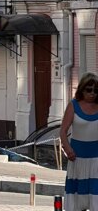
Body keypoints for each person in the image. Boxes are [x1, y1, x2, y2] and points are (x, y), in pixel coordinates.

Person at [60, 72, 98, 211]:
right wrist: (68, 149)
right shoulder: (73, 105)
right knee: (77, 201)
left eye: (96, 90)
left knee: (96, 198)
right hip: (77, 159)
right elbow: (63, 131)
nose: (92, 93)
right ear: (82, 89)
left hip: (96, 161)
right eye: (89, 90)